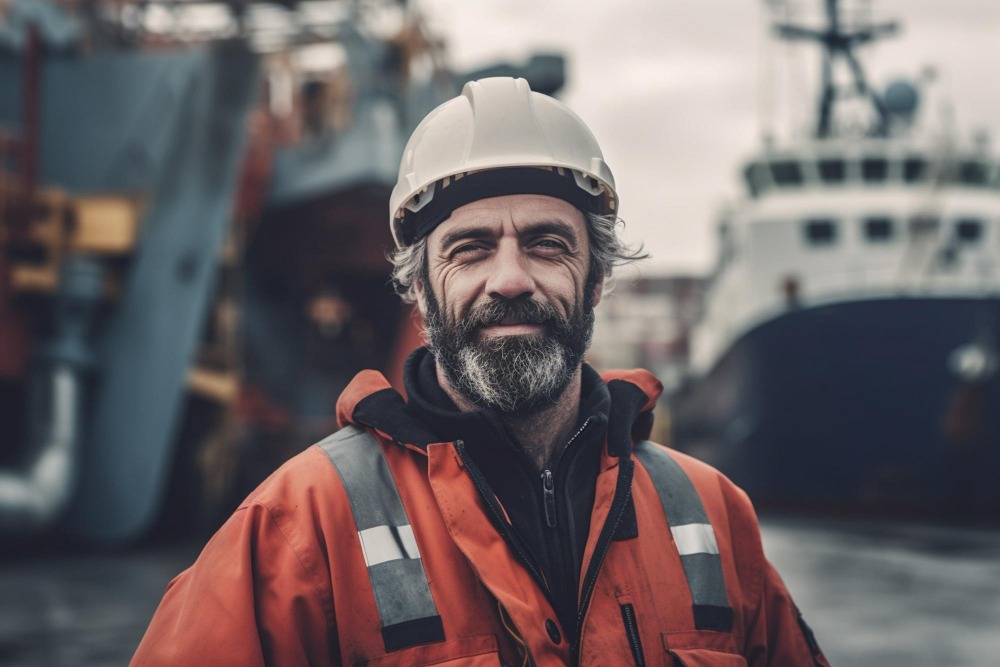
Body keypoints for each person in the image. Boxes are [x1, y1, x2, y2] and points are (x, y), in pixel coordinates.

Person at [132, 77, 828, 667]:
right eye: (470, 248)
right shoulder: (297, 527)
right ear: (421, 289)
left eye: (547, 244)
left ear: (596, 280)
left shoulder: (712, 514)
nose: (511, 279)